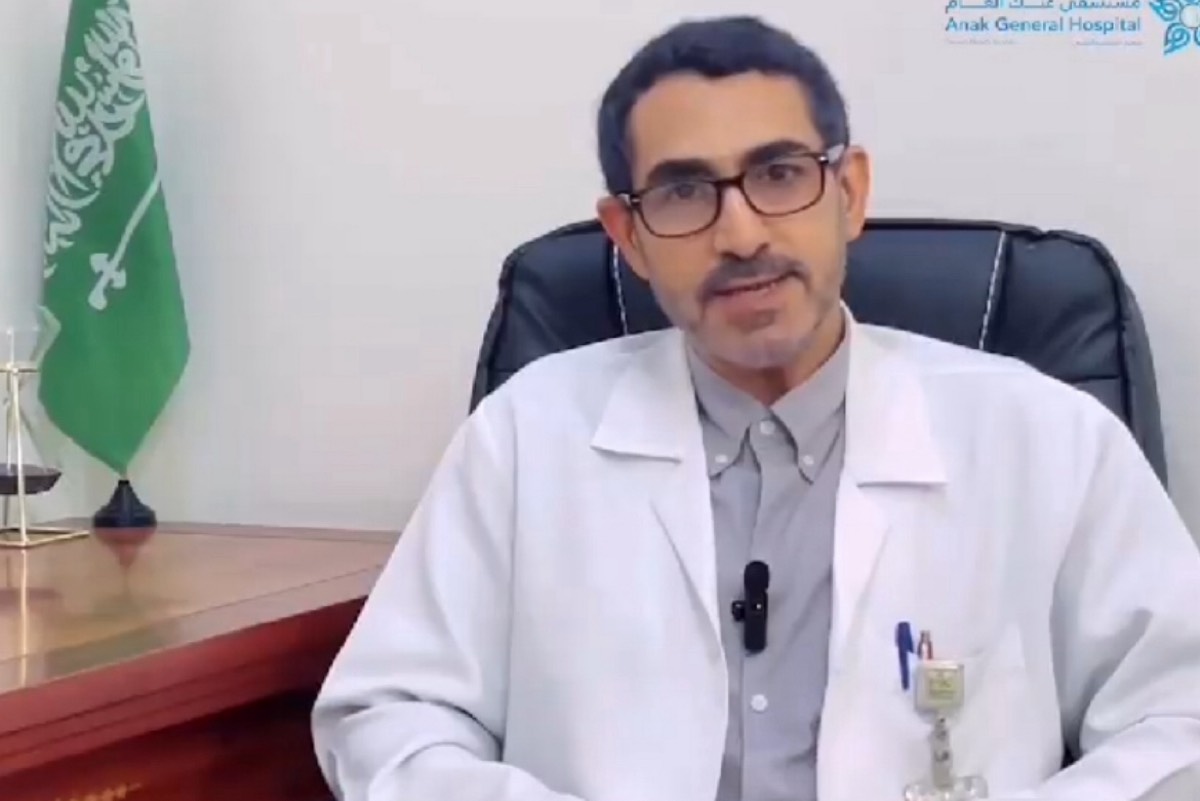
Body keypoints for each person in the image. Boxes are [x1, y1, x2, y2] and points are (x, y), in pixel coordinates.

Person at [311, 15, 1200, 801]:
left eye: (779, 173)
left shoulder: (1044, 438)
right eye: (683, 192)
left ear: (849, 193)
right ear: (629, 236)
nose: (740, 234)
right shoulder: (527, 437)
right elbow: (390, 713)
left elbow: (1182, 713)